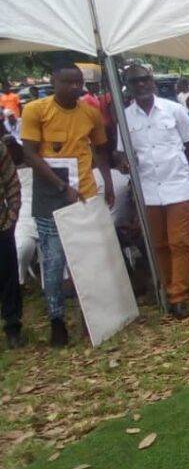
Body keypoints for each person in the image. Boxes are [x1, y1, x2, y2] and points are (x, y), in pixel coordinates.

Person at [20, 61, 114, 347]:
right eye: (67, 82)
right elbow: (29, 155)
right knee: (53, 259)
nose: (74, 87)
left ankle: (93, 316)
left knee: (88, 256)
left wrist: (108, 184)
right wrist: (62, 186)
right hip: (52, 193)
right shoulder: (36, 110)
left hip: (84, 192)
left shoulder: (90, 111)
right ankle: (57, 319)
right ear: (53, 82)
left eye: (78, 82)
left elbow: (100, 150)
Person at [120, 63, 189, 320]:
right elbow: (123, 153)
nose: (141, 84)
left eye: (144, 79)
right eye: (135, 81)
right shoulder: (125, 117)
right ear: (128, 86)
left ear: (152, 81)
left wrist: (174, 164)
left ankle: (178, 295)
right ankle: (167, 286)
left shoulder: (174, 109)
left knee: (178, 241)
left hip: (177, 185)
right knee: (158, 244)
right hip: (148, 189)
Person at [0, 141, 23, 348]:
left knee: (8, 278)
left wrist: (12, 215)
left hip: (1, 225)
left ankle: (13, 327)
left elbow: (12, 181)